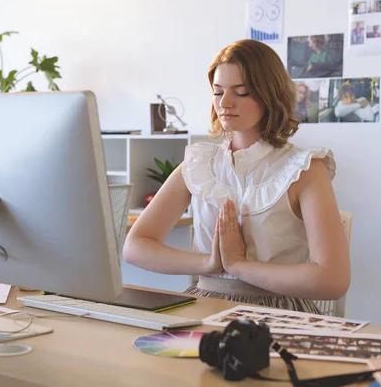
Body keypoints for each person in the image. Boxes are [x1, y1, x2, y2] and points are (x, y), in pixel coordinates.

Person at [123, 40, 350, 313]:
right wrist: (209, 264)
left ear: (270, 95)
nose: (225, 103)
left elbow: (333, 280)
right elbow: (135, 247)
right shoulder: (198, 164)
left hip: (279, 315)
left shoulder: (305, 168)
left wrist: (240, 266)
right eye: (218, 92)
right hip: (204, 306)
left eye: (241, 92)